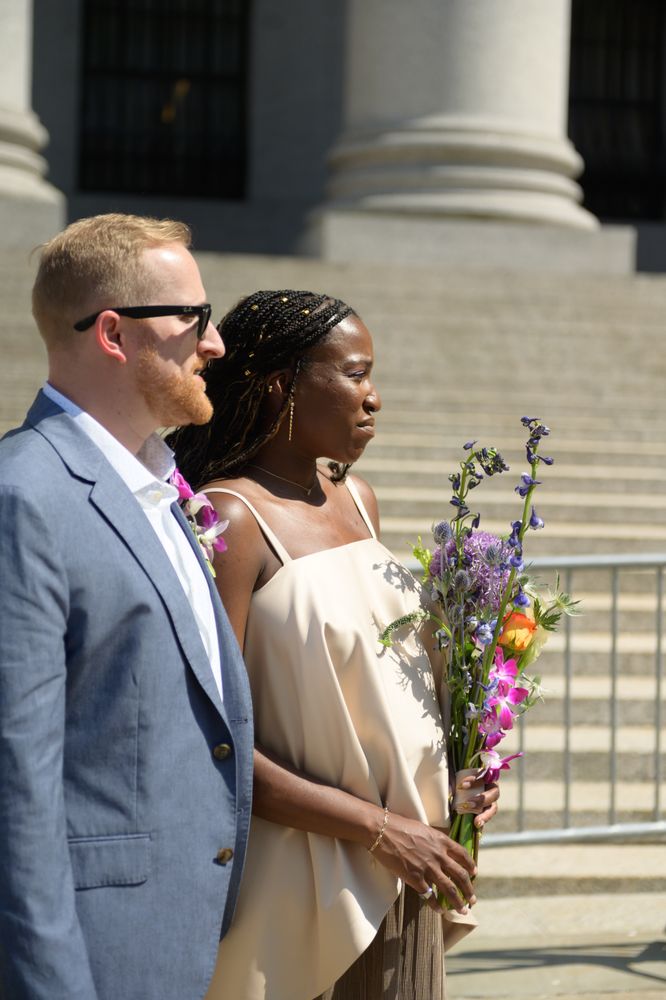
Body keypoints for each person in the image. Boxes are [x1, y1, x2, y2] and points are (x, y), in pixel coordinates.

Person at [169, 290, 499, 1000]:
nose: (374, 398)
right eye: (355, 374)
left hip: (405, 868)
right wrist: (380, 828)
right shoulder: (229, 518)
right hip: (304, 887)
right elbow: (211, 740)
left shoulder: (359, 501)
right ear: (285, 384)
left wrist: (455, 778)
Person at [0, 213, 254, 1000]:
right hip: (93, 960)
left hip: (185, 938)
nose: (215, 344)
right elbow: (17, 781)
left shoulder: (157, 485)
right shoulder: (24, 497)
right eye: (194, 319)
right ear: (114, 333)